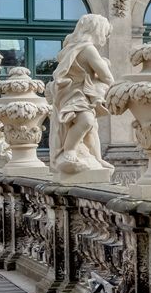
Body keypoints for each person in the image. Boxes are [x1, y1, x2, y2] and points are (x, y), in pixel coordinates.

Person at [48, 14, 113, 175]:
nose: (105, 38)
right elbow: (107, 77)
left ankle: (96, 157)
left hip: (73, 92)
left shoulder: (70, 47)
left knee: (91, 128)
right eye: (105, 33)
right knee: (86, 121)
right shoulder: (88, 49)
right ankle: (69, 150)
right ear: (97, 30)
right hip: (76, 93)